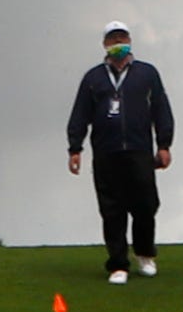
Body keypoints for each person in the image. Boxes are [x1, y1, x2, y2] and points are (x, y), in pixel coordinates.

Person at [65, 21, 176, 285]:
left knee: (145, 205)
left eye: (122, 38)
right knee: (112, 209)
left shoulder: (147, 74)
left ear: (130, 40)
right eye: (113, 40)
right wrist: (75, 148)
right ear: (105, 44)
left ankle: (145, 254)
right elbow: (80, 114)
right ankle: (118, 264)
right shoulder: (93, 78)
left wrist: (164, 144)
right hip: (106, 152)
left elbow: (161, 109)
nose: (118, 44)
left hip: (139, 150)